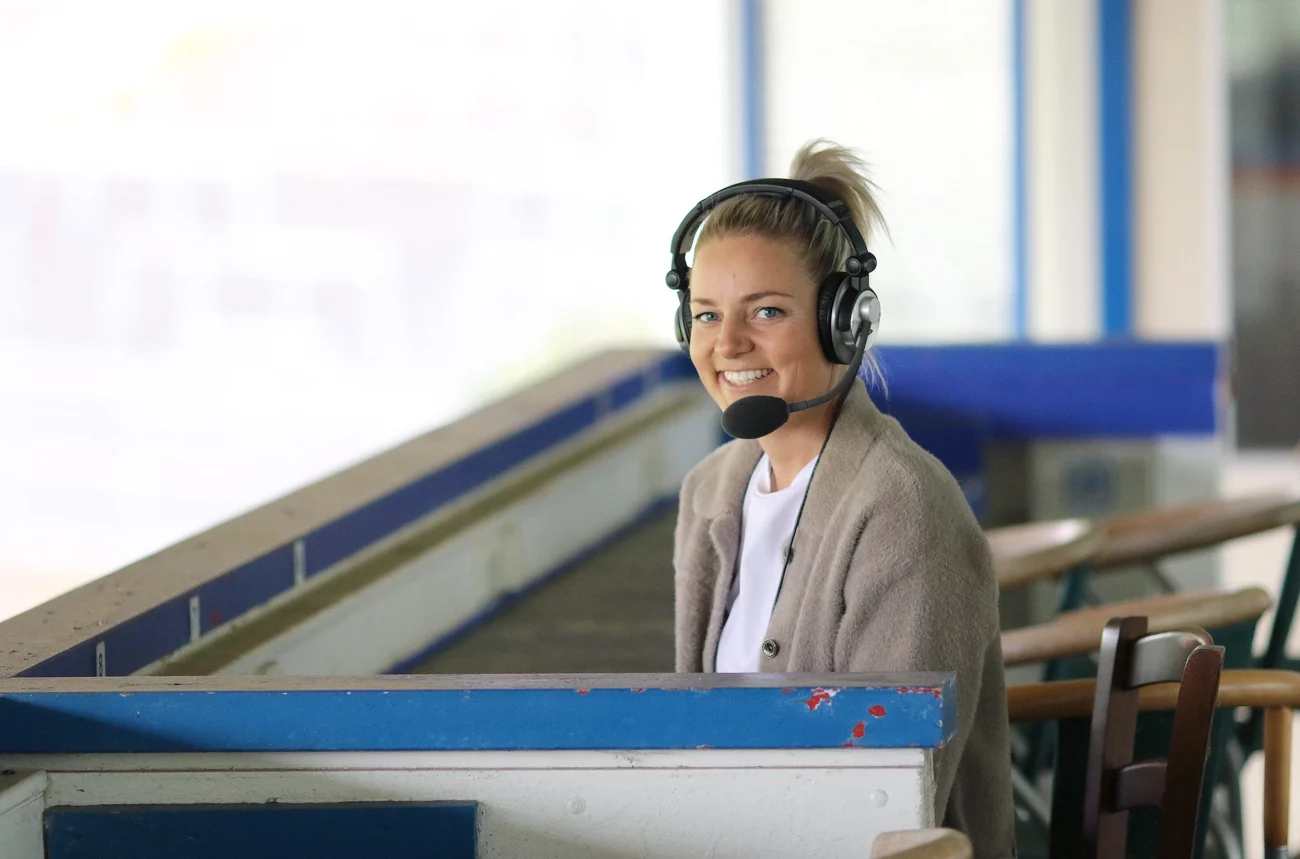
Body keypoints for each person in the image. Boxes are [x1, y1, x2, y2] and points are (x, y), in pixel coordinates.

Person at [670, 139, 1015, 859]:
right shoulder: (710, 493)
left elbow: (890, 796)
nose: (727, 342)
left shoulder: (902, 506)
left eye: (764, 311)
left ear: (843, 320)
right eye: (705, 314)